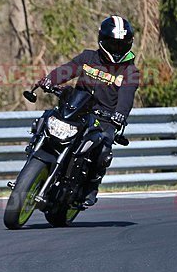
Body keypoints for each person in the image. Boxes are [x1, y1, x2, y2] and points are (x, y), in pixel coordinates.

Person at [35, 15, 140, 207]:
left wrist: (120, 116)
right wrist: (50, 80)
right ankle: (35, 153)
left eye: (121, 44)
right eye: (112, 44)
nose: (117, 49)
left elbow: (127, 96)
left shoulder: (129, 71)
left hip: (105, 120)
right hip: (77, 110)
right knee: (45, 120)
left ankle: (91, 187)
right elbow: (67, 70)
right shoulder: (88, 58)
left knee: (103, 149)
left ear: (129, 44)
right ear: (102, 40)